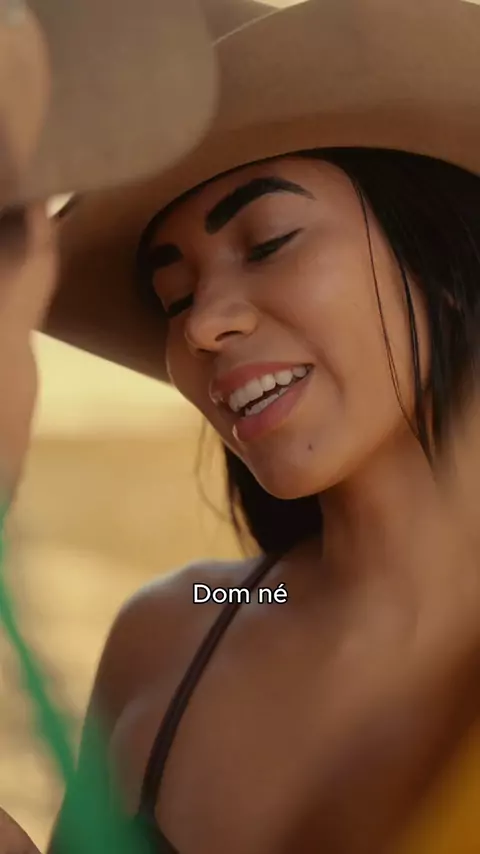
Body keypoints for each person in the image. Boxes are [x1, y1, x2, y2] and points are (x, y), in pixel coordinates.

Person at [45, 1, 480, 853]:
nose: (202, 326)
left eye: (269, 240)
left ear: (442, 255)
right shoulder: (176, 631)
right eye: (172, 297)